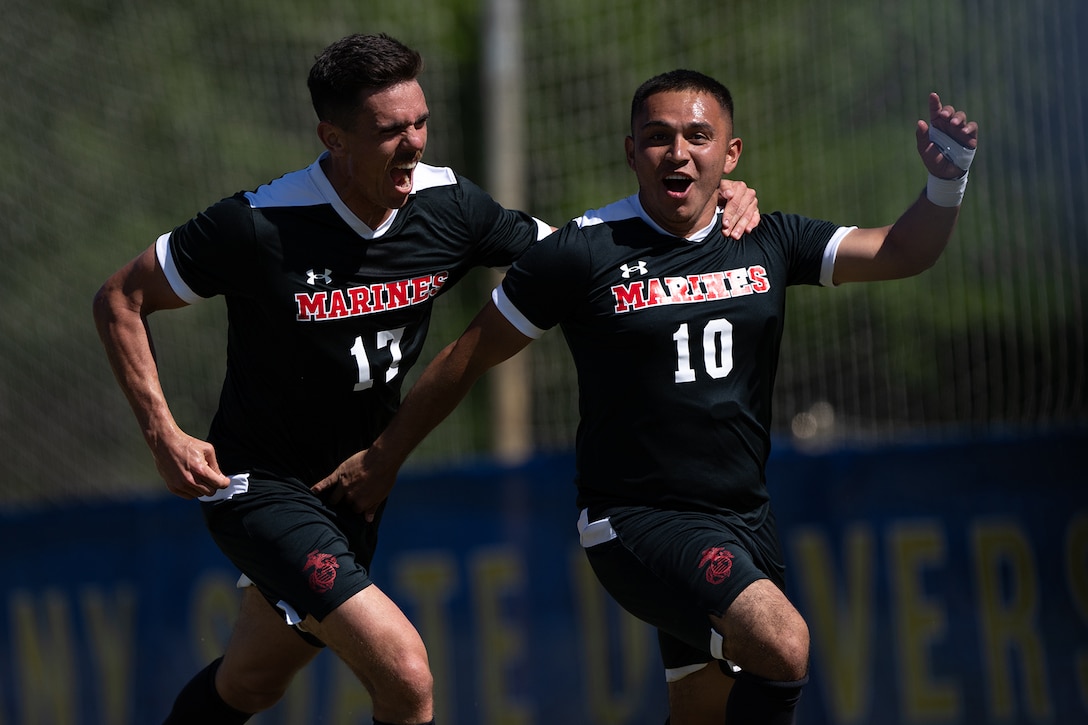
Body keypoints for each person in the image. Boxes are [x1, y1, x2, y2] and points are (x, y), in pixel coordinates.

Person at [92, 34, 761, 725]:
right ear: (334, 136)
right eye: (389, 130)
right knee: (406, 675)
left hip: (353, 494)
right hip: (262, 489)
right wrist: (163, 432)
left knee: (251, 681)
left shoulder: (449, 205)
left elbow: (584, 263)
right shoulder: (259, 224)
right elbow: (120, 298)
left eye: (421, 121)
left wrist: (713, 203)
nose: (413, 142)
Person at [313, 70, 979, 724]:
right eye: (658, 137)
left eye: (698, 135)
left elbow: (898, 251)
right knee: (783, 641)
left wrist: (947, 179)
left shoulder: (765, 237)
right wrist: (383, 457)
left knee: (703, 712)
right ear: (632, 151)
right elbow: (467, 356)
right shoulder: (583, 252)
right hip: (636, 521)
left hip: (745, 521)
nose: (678, 151)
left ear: (731, 153)